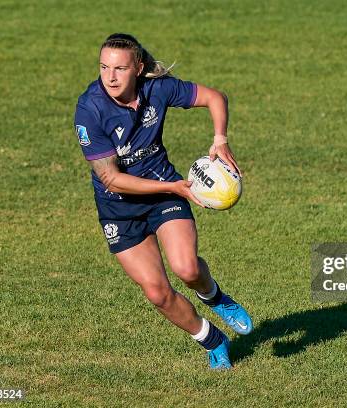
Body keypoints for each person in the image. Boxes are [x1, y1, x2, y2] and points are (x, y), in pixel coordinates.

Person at [73, 33, 252, 369]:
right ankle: (213, 340)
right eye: (103, 67)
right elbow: (110, 178)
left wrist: (220, 139)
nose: (109, 77)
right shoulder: (90, 109)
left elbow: (215, 97)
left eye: (120, 69)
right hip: (119, 208)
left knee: (186, 268)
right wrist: (173, 188)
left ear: (138, 68)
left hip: (163, 191)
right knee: (157, 292)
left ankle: (215, 297)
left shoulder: (158, 89)